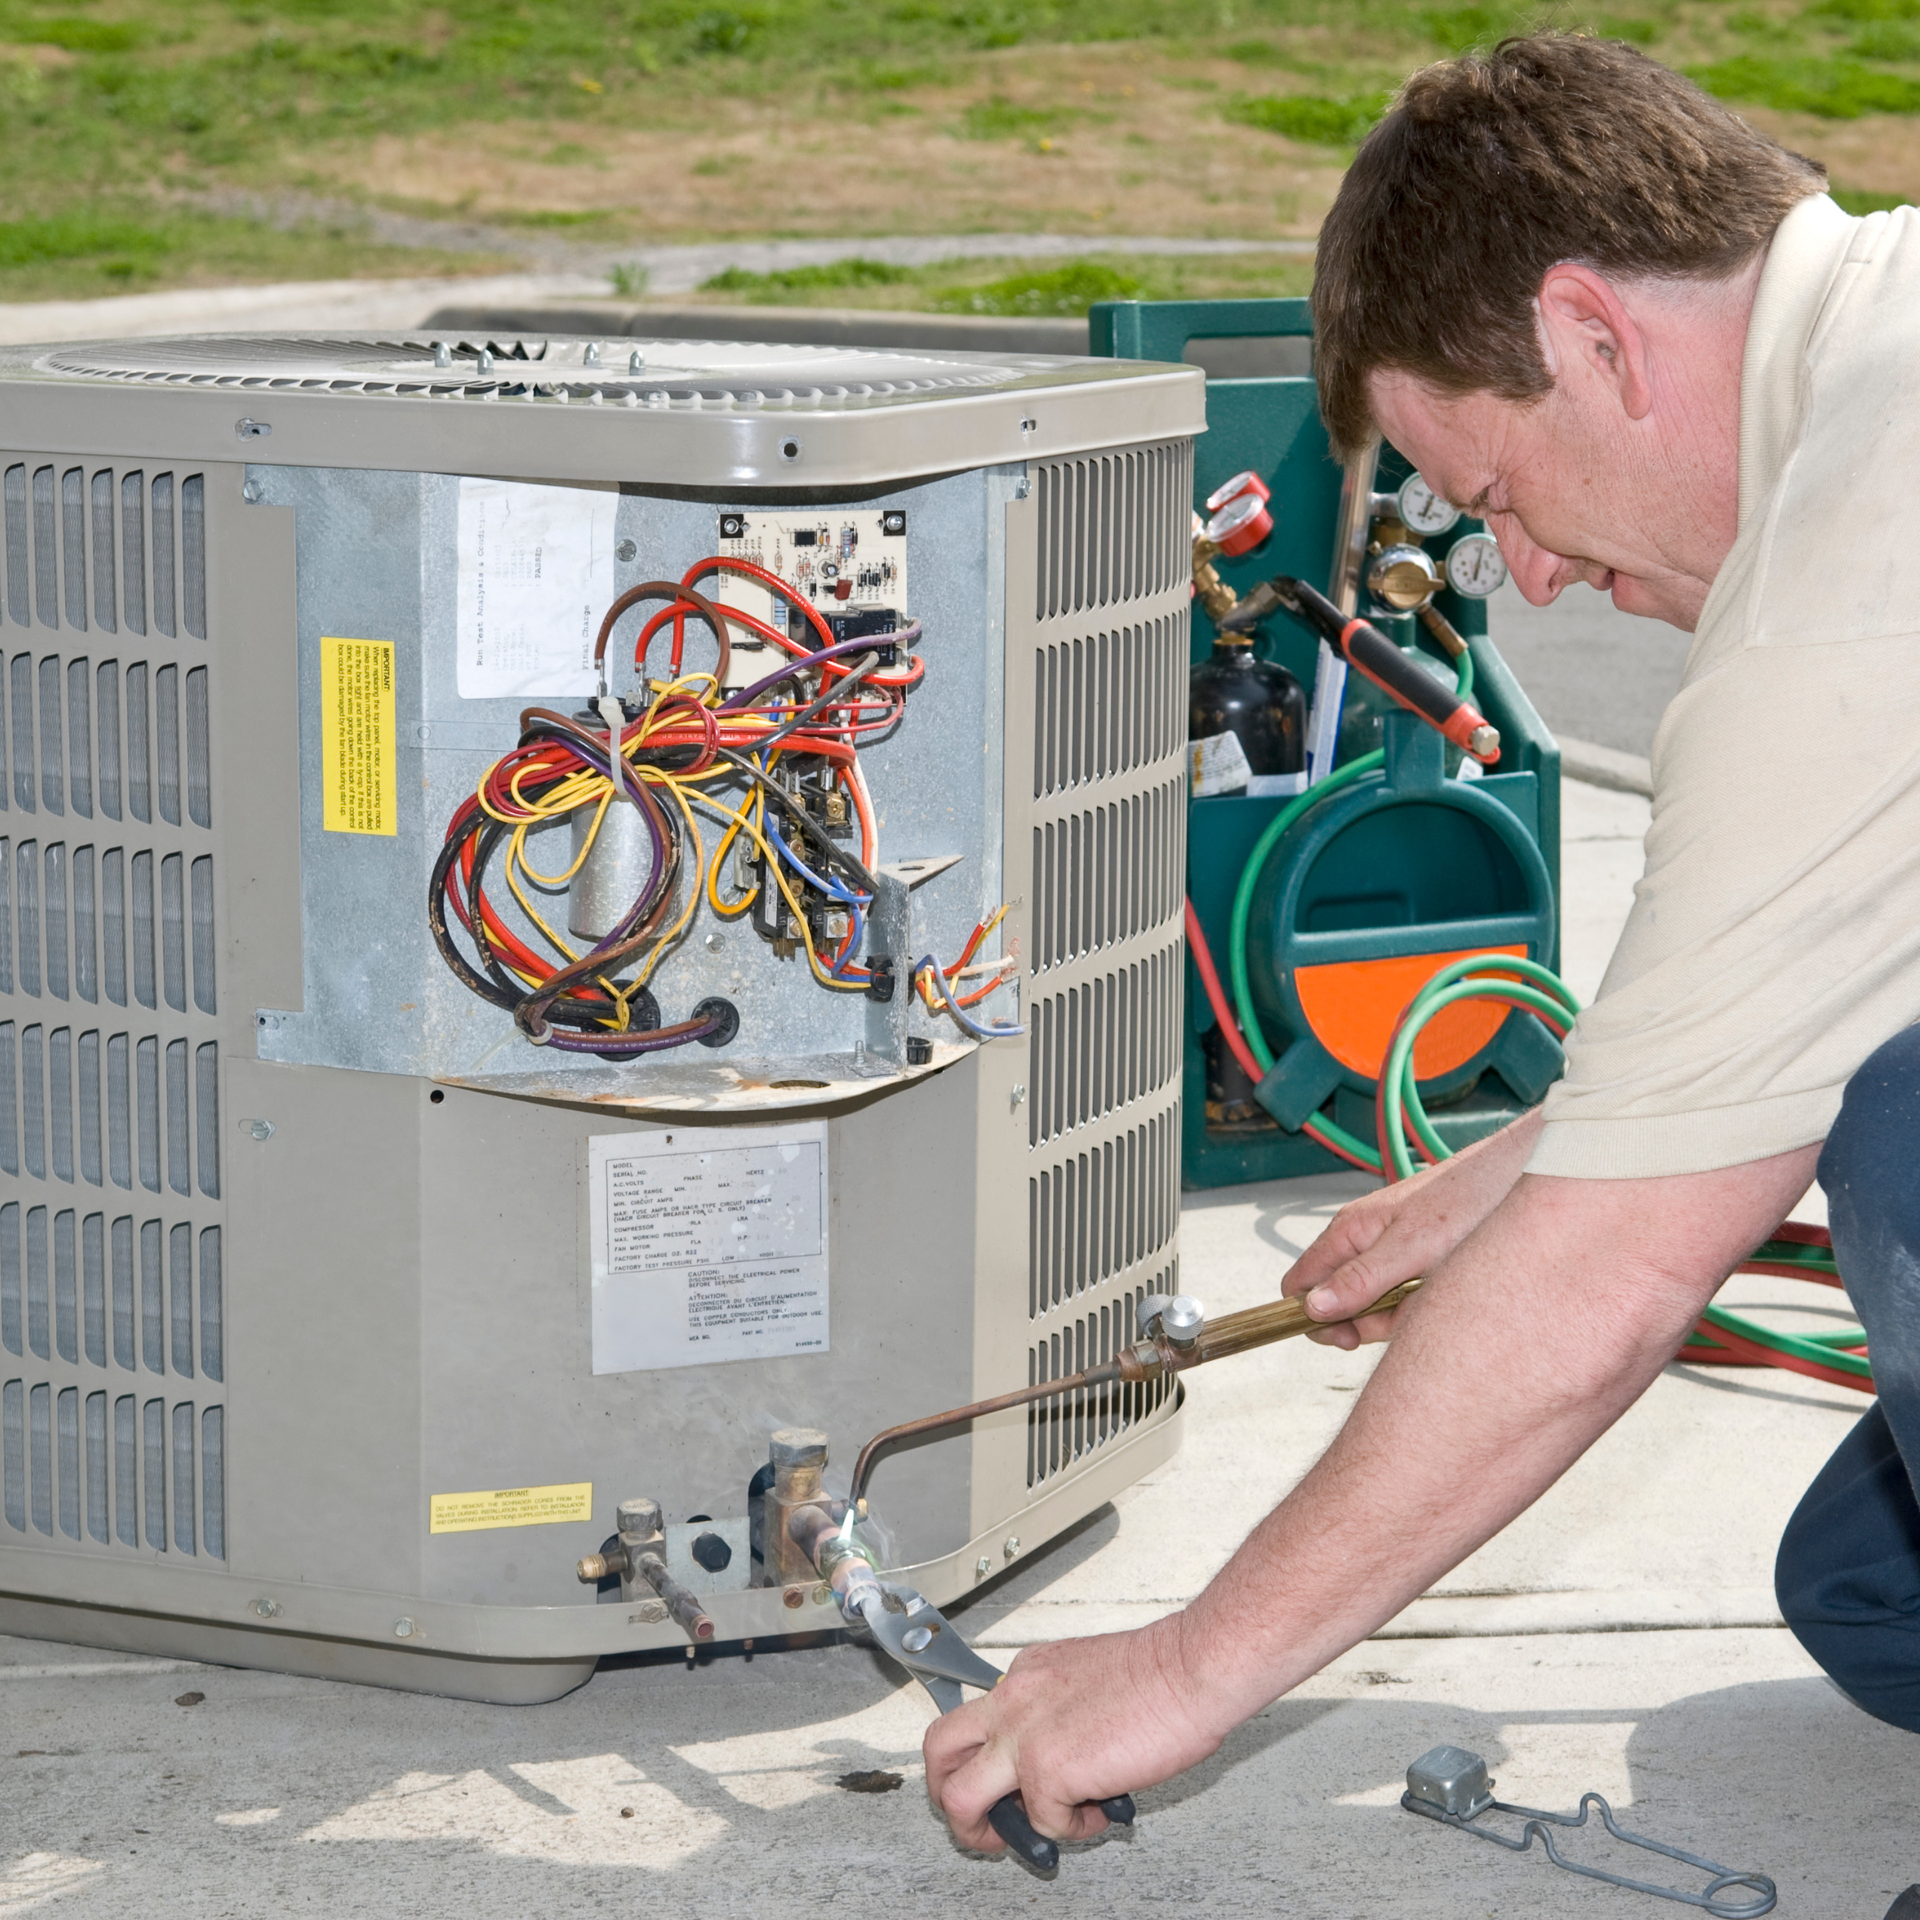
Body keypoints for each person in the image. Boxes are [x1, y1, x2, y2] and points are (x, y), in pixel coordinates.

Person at [925, 28, 1920, 1895]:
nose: (1521, 579)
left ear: (1595, 338)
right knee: (1876, 1595)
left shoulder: (1856, 568)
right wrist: (1528, 1163)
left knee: (1912, 1132)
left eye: (1501, 494)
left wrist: (1182, 1669)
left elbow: (1615, 1286)